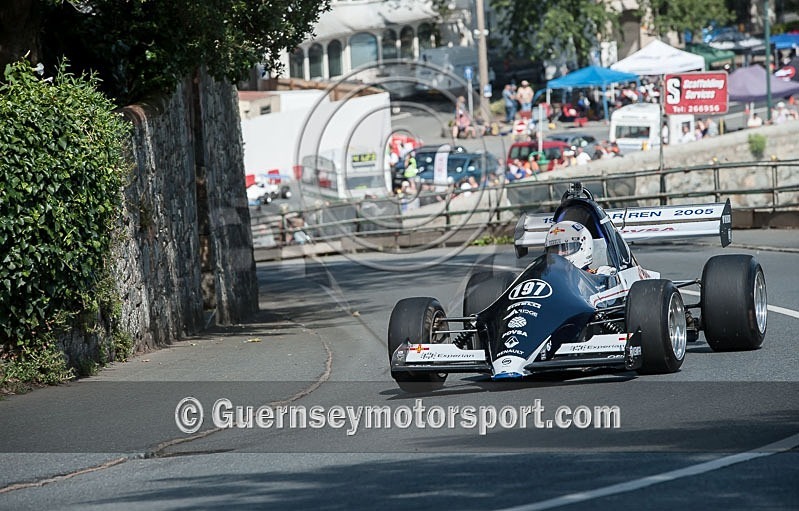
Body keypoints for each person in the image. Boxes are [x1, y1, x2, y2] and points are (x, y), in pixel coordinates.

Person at [544, 221, 615, 275]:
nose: (559, 253)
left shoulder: (602, 274)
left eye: (564, 248)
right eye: (554, 249)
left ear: (584, 246)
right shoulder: (547, 279)